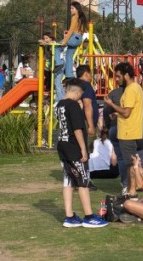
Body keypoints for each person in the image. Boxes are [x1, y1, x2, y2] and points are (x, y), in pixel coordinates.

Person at [55, 78, 108, 228]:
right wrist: (83, 149)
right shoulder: (73, 106)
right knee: (83, 181)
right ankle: (89, 216)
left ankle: (69, 216)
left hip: (63, 145)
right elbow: (78, 129)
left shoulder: (59, 105)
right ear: (76, 91)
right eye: (80, 94)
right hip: (74, 147)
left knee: (69, 180)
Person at [104, 62, 143, 190]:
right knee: (132, 162)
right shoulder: (137, 87)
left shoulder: (130, 89)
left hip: (128, 132)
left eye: (118, 76)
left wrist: (111, 104)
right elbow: (130, 111)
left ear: (126, 75)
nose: (116, 79)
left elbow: (126, 112)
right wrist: (117, 113)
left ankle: (131, 190)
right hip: (131, 130)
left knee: (130, 163)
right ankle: (134, 187)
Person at [55, 1, 89, 79]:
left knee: (57, 47)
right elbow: (82, 30)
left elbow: (71, 30)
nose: (71, 10)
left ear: (77, 9)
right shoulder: (82, 17)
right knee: (69, 55)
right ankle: (69, 75)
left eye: (72, 8)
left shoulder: (75, 17)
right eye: (70, 8)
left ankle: (59, 63)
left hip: (74, 37)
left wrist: (64, 41)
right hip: (79, 39)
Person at [76, 65, 97, 138]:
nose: (91, 76)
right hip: (85, 122)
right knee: (88, 146)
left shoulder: (75, 85)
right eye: (90, 73)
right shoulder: (86, 85)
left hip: (77, 120)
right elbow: (87, 105)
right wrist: (91, 126)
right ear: (86, 74)